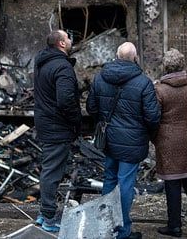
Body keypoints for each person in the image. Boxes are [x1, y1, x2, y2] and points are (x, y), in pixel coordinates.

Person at [87, 42, 161, 239]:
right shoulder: (143, 82)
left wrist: (104, 121)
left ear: (116, 55)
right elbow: (153, 117)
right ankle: (122, 231)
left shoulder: (100, 78)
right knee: (126, 183)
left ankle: (106, 227)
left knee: (109, 179)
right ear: (135, 58)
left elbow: (91, 108)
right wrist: (147, 133)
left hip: (109, 139)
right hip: (133, 141)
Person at [153, 49, 187, 238]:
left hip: (168, 141)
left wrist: (154, 138)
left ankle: (174, 226)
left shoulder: (159, 90)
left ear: (165, 66)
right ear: (183, 65)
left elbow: (154, 117)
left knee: (172, 183)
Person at [33, 30, 81, 233]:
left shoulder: (42, 63)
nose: (70, 40)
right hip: (57, 126)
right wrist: (76, 121)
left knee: (49, 169)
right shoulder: (62, 66)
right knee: (52, 172)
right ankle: (49, 218)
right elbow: (65, 100)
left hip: (46, 123)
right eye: (67, 38)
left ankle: (44, 214)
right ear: (61, 43)